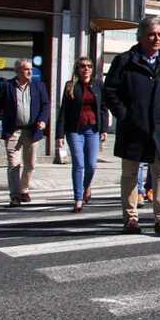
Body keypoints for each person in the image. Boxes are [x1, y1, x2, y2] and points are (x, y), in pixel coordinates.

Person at [103, 15, 160, 235]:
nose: (156, 39)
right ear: (141, 36)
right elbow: (110, 91)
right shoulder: (125, 61)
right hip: (133, 127)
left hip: (159, 128)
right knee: (130, 173)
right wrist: (124, 115)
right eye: (152, 35)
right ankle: (131, 218)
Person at [0, 58, 49, 208]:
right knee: (13, 164)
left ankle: (24, 190)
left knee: (30, 164)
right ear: (18, 71)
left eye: (31, 69)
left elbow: (46, 105)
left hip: (32, 130)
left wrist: (43, 120)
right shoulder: (6, 86)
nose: (30, 72)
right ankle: (15, 196)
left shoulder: (39, 86)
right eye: (26, 69)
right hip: (13, 131)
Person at [55, 56, 107, 213]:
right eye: (83, 66)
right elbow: (63, 111)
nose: (86, 69)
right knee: (79, 164)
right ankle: (78, 198)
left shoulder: (98, 84)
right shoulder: (70, 86)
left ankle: (86, 186)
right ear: (77, 69)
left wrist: (104, 129)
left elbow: (103, 108)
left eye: (89, 66)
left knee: (91, 165)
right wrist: (59, 135)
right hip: (75, 130)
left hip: (93, 130)